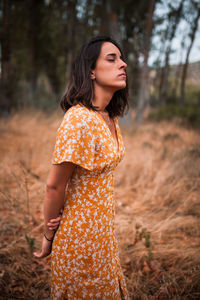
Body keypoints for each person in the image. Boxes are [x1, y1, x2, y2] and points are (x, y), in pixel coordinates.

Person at [34, 36, 130, 300]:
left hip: (104, 238)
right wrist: (48, 236)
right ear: (91, 70)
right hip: (79, 241)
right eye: (112, 59)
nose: (123, 64)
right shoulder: (78, 119)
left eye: (122, 58)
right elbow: (54, 185)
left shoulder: (109, 116)